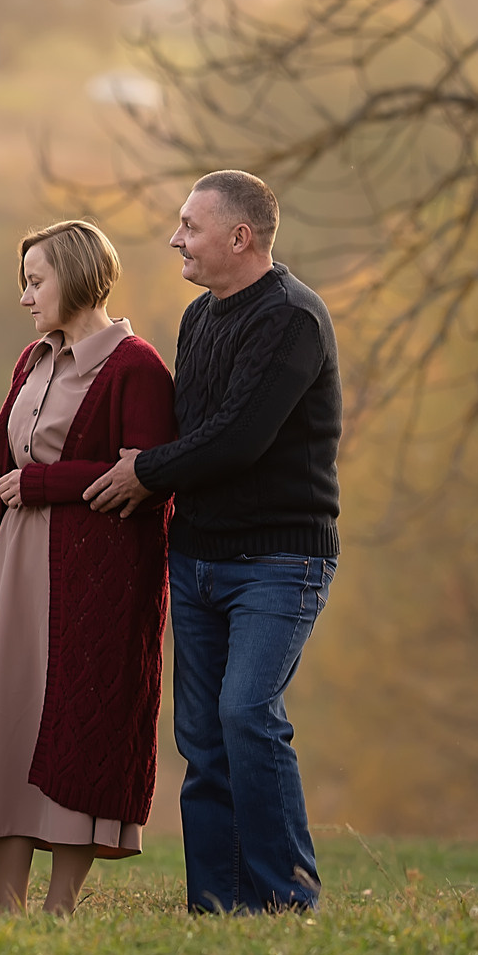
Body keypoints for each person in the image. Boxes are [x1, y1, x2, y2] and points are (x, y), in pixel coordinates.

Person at [81, 172, 341, 914]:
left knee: (247, 715)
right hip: (196, 555)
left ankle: (286, 900)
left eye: (191, 227)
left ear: (240, 236)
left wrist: (144, 471)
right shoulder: (200, 317)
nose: (177, 239)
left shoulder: (291, 319)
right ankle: (219, 906)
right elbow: (188, 430)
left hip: (279, 561)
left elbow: (237, 438)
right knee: (202, 736)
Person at [0, 220, 176, 915]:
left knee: (76, 728)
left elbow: (148, 480)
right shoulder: (31, 360)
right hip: (15, 571)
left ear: (78, 277)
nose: (26, 296)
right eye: (23, 282)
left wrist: (45, 485)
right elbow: (10, 466)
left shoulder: (138, 368)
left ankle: (59, 908)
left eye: (36, 281)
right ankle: (8, 908)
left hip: (95, 585)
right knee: (5, 721)